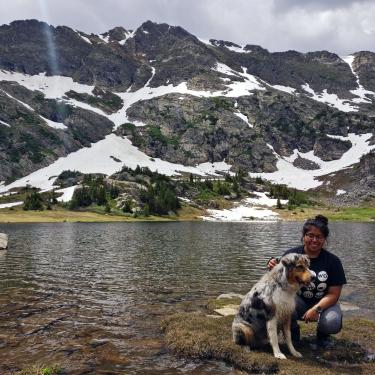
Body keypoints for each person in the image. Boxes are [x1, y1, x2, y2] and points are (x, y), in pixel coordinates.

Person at [267, 215, 346, 349]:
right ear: (303, 236)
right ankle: (293, 335)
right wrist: (271, 263)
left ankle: (322, 337)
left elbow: (334, 294)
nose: (314, 240)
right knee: (282, 300)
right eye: (310, 235)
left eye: (319, 236)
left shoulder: (333, 261)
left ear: (324, 239)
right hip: (298, 302)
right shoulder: (292, 254)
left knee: (332, 322)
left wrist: (317, 309)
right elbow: (277, 278)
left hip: (324, 304)